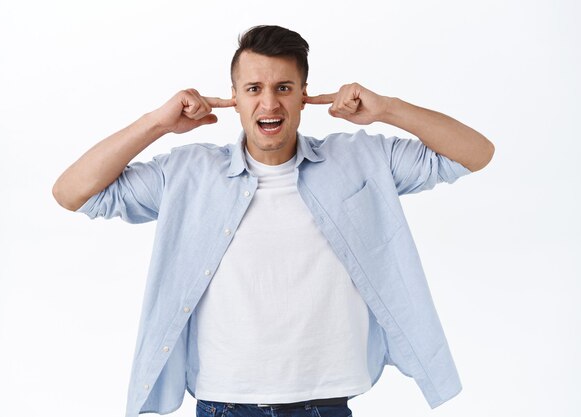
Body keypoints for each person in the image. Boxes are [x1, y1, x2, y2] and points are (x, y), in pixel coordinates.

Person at [53, 25, 494, 417]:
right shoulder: (189, 173)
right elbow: (73, 192)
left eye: (284, 87)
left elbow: (475, 154)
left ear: (304, 94)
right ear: (233, 97)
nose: (269, 102)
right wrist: (156, 124)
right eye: (253, 88)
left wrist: (387, 109)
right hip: (224, 402)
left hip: (325, 402)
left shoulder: (361, 159)